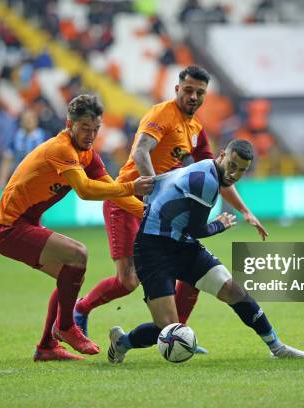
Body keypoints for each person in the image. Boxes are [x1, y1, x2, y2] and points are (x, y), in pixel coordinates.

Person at [74, 66, 268, 354]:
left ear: (204, 96)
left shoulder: (195, 129)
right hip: (128, 202)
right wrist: (155, 192)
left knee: (192, 273)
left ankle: (178, 337)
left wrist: (245, 211)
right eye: (188, 90)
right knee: (128, 280)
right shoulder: (160, 115)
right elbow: (140, 152)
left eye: (199, 93)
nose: (193, 96)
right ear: (177, 89)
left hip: (158, 212)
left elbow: (219, 172)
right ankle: (81, 309)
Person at [107, 139, 304, 363]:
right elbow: (196, 229)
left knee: (234, 291)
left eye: (241, 170)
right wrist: (219, 225)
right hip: (153, 249)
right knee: (169, 331)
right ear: (222, 155)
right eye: (232, 165)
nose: (234, 174)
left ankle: (277, 347)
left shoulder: (208, 171)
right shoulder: (206, 180)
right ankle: (122, 342)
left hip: (181, 245)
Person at [0, 95, 154, 362]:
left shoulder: (88, 154)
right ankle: (65, 327)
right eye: (85, 129)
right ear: (70, 124)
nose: (90, 135)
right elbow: (86, 190)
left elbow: (112, 192)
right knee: (78, 254)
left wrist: (148, 213)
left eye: (95, 129)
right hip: (8, 228)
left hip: (24, 223)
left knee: (68, 275)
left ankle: (46, 347)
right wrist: (131, 187)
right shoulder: (61, 149)